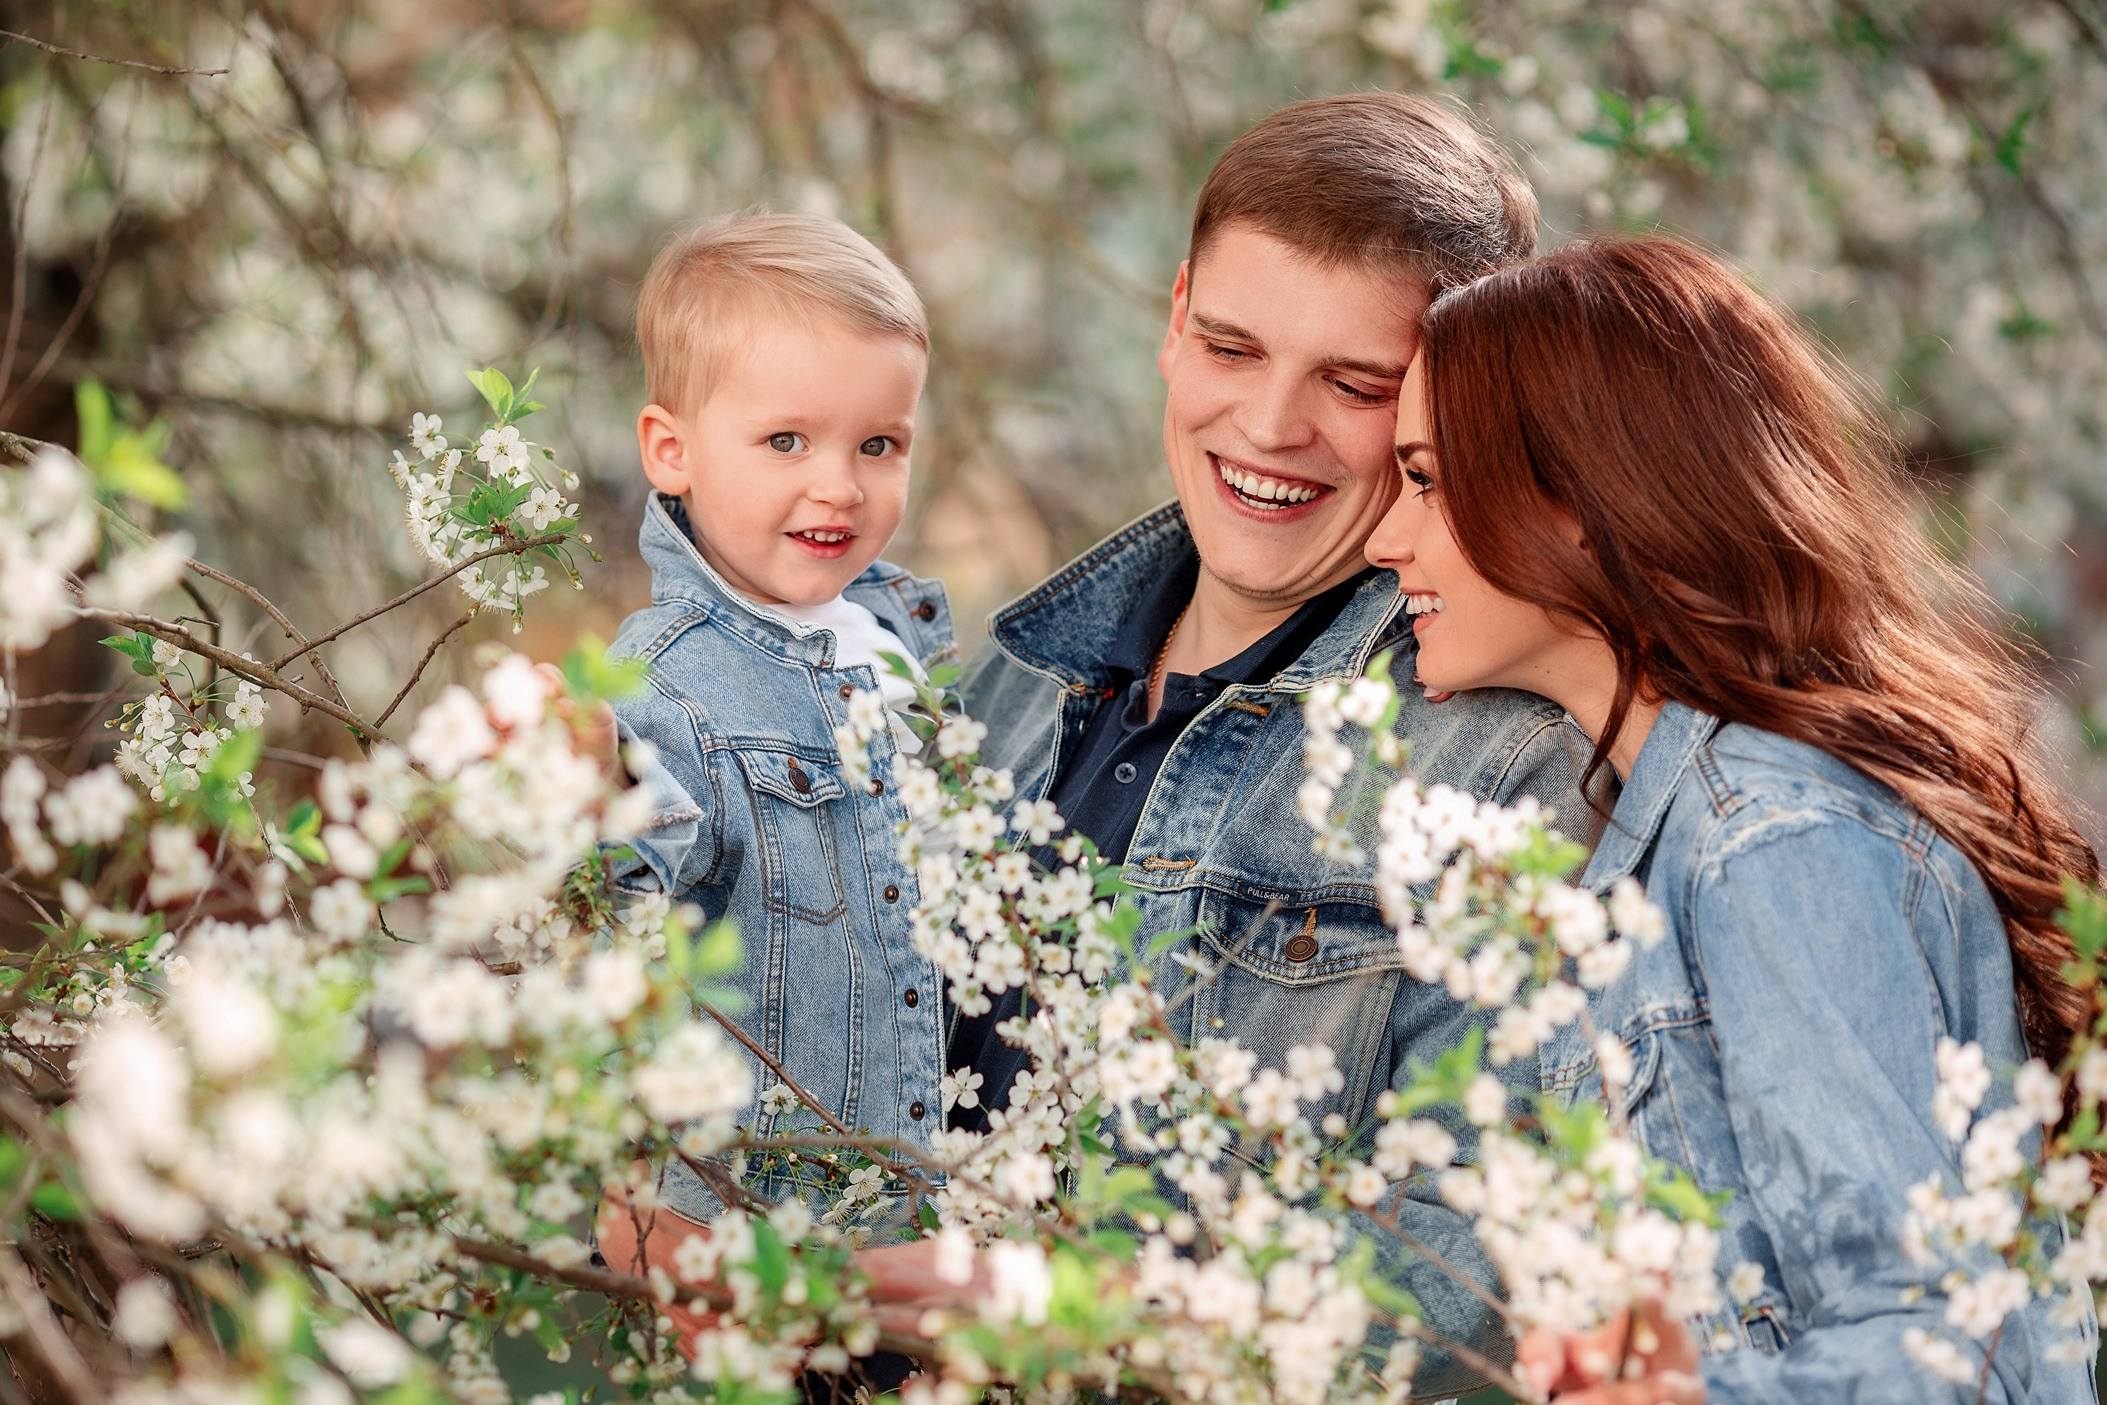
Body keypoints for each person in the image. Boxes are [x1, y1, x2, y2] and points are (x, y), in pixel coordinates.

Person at [857, 93, 1597, 1397]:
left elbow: (1462, 1306)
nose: (1265, 427)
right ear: (1173, 316)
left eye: (1352, 384)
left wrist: (1077, 1312)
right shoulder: (1000, 686)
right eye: (1230, 347)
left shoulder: (1493, 777)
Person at [1362, 235, 2101, 1403]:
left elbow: (1930, 1347)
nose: (1382, 537)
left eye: (1426, 479)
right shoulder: (1667, 839)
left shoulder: (1770, 842)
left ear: (1583, 499)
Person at [592, 211, 949, 1395]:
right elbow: (598, 934)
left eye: (879, 444)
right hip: (747, 1259)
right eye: (786, 439)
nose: (836, 485)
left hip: (904, 1261)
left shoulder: (891, 645)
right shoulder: (669, 689)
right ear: (671, 448)